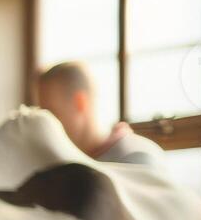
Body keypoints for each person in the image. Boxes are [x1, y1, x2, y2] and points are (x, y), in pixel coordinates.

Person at [37, 60, 165, 167]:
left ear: (80, 102)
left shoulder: (136, 158)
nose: (46, 123)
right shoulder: (66, 163)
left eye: (52, 112)